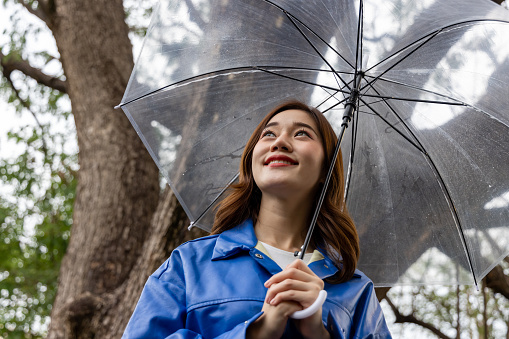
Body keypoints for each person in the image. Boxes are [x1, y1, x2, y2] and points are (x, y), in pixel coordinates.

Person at [122, 100, 392, 338]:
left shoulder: (357, 291)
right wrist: (258, 331)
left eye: (301, 133)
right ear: (252, 160)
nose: (280, 142)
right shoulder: (188, 265)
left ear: (326, 169)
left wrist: (318, 334)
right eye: (269, 134)